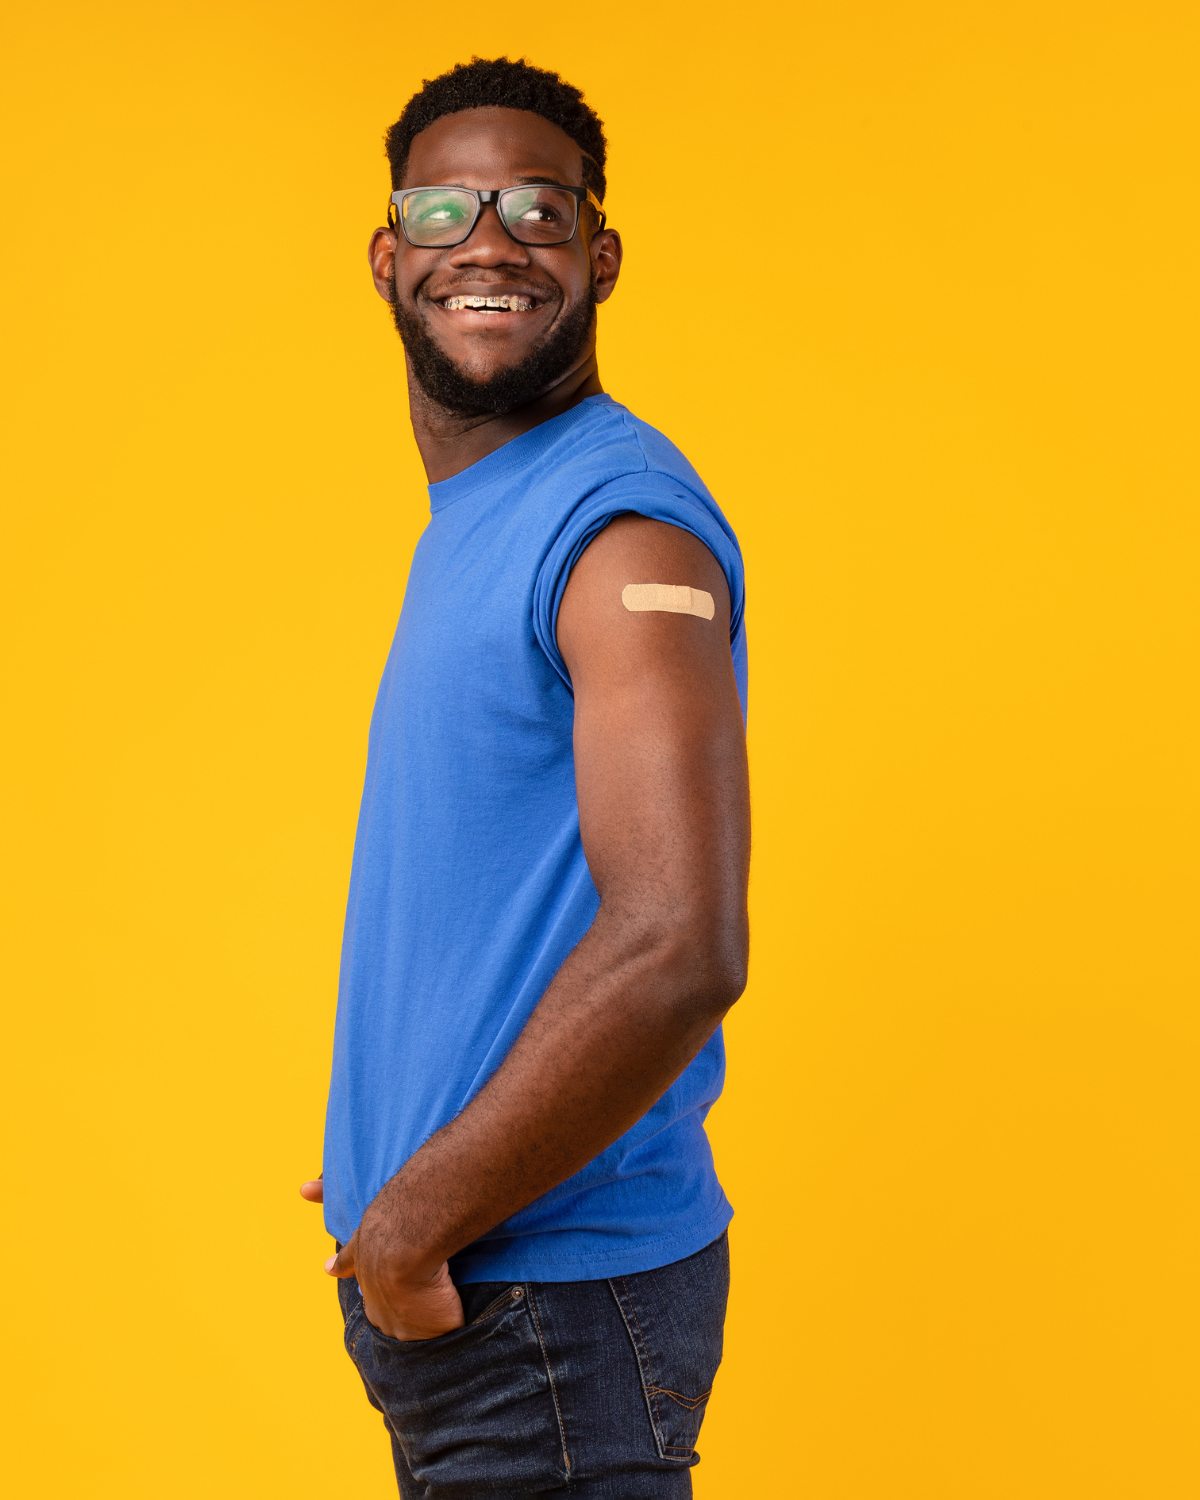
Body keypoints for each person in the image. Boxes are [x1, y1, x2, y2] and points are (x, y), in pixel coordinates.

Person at [300, 56, 750, 1498]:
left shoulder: (619, 536)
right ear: (389, 256)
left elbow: (680, 943)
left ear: (599, 256)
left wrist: (421, 1213)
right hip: (497, 1303)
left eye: (537, 210)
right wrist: (400, 1118)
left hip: (545, 1314)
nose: (488, 241)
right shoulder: (491, 509)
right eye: (446, 207)